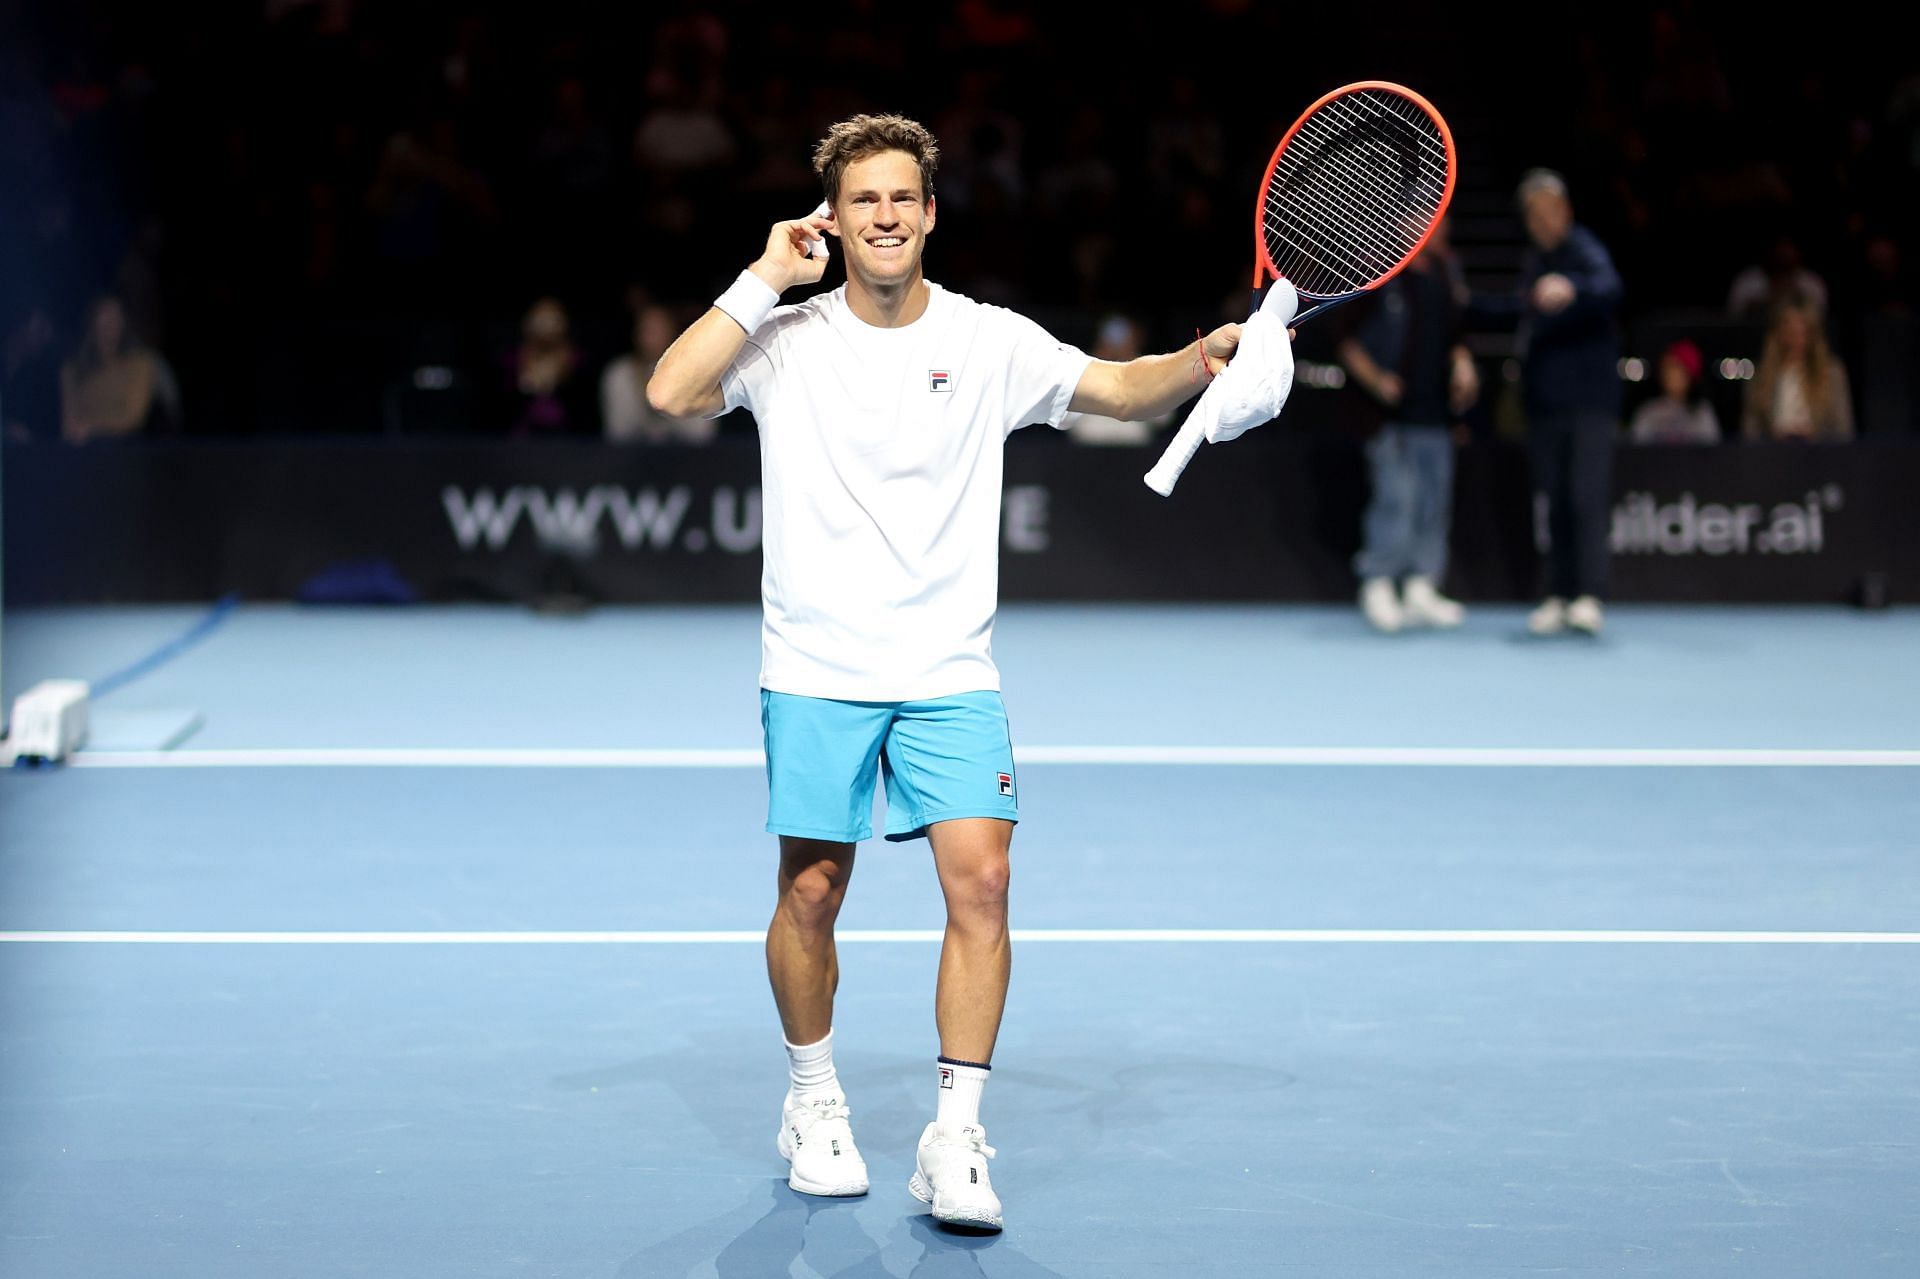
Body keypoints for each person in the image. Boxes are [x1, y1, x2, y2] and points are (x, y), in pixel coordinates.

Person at [646, 113, 1278, 1231]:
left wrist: (1202, 359)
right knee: (811, 893)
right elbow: (670, 392)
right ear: (831, 221)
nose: (884, 216)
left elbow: (1122, 391)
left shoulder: (990, 340)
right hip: (818, 663)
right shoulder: (785, 339)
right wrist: (759, 276)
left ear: (930, 212)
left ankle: (954, 1137)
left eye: (902, 198)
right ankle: (813, 1100)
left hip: (948, 668)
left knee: (981, 885)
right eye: (862, 202)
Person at [1337, 225, 1479, 633]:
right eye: (1437, 220)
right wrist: (1376, 379)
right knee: (1396, 498)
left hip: (1436, 413)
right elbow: (1345, 340)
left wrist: (1463, 362)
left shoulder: (1447, 272)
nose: (1444, 229)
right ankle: (1378, 583)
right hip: (1388, 415)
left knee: (1433, 501)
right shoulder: (1378, 270)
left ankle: (1421, 586)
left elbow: (1456, 333)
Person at [1512, 170, 1624, 637]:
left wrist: (1573, 288)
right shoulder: (1535, 260)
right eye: (1532, 215)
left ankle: (1588, 596)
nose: (1540, 221)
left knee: (1585, 496)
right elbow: (1522, 312)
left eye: (1547, 212)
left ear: (1566, 212)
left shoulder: (1584, 250)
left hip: (1589, 403)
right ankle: (1558, 595)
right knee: (1555, 501)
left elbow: (1610, 287)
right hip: (1547, 404)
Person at [600, 301, 717, 444]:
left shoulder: (696, 372)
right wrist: (643, 391)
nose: (651, 338)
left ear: (674, 333)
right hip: (632, 459)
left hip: (686, 459)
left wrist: (666, 397)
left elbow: (701, 434)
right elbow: (617, 433)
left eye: (658, 330)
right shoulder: (619, 373)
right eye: (646, 330)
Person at [1741, 300, 1854, 441]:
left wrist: (1814, 437)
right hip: (1772, 455)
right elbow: (1750, 432)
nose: (1796, 341)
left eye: (1802, 333)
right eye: (1790, 333)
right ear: (1778, 335)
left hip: (1820, 456)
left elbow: (1844, 431)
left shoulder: (1832, 373)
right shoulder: (1761, 375)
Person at [1056, 314, 1172, 444]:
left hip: (1136, 450)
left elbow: (1163, 419)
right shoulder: (1080, 368)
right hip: (1087, 449)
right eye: (1110, 340)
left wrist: (1132, 365)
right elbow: (1061, 414)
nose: (1115, 346)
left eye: (1123, 339)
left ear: (1136, 339)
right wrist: (1099, 365)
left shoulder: (1149, 370)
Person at [60, 296, 161, 443]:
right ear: (92, 322)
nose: (111, 322)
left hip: (126, 449)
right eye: (105, 315)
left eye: (116, 315)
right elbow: (69, 423)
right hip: (84, 453)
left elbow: (134, 417)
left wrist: (92, 428)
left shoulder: (140, 363)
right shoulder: (73, 369)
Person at [1628, 338, 1721, 444]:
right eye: (1666, 368)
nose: (1669, 374)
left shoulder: (1702, 411)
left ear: (1689, 374)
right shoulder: (1648, 411)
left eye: (1675, 368)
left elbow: (1712, 454)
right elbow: (1636, 452)